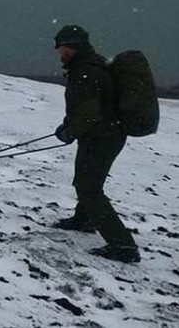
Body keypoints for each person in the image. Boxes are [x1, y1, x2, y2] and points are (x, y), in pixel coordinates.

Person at [52, 25, 139, 263]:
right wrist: (69, 126)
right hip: (102, 135)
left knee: (89, 187)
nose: (60, 53)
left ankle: (123, 245)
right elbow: (86, 109)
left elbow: (90, 113)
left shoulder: (85, 72)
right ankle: (85, 219)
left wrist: (70, 131)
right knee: (86, 180)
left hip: (102, 137)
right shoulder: (92, 65)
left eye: (62, 48)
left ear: (72, 47)